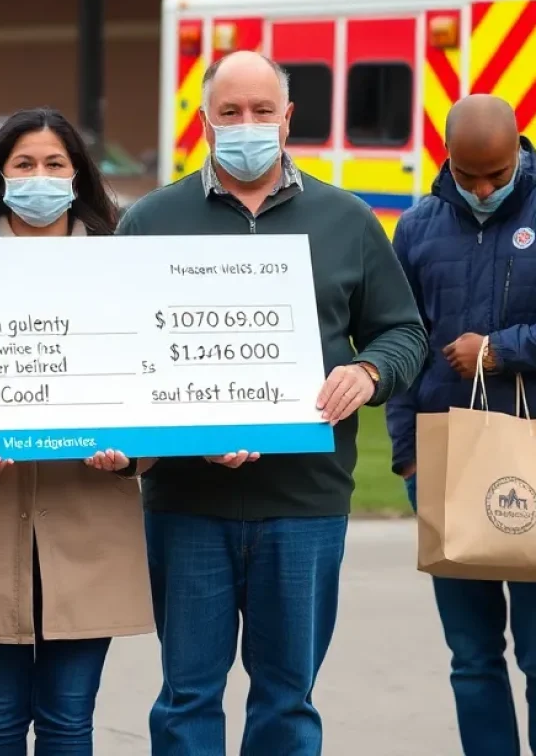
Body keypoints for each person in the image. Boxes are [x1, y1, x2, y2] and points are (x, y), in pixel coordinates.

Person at [117, 51, 428, 756]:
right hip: (187, 500)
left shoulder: (345, 218)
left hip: (305, 501)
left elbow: (403, 331)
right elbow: (123, 354)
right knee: (187, 698)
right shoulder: (149, 222)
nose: (247, 125)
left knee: (288, 701)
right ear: (205, 122)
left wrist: (371, 372)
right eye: (230, 113)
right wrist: (172, 435)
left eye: (262, 112)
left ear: (289, 120)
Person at [0, 107, 155, 756]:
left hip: (88, 525)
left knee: (69, 718)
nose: (41, 177)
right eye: (25, 165)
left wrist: (131, 459)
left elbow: (158, 388)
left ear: (78, 175)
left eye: (55, 164)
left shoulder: (126, 267)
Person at [388, 93, 536, 756]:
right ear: (445, 157)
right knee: (471, 657)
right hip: (445, 463)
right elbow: (396, 342)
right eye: (468, 175)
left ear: (519, 152)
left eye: (498, 176)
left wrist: (503, 349)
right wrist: (408, 455)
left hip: (531, 463)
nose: (482, 189)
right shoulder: (417, 229)